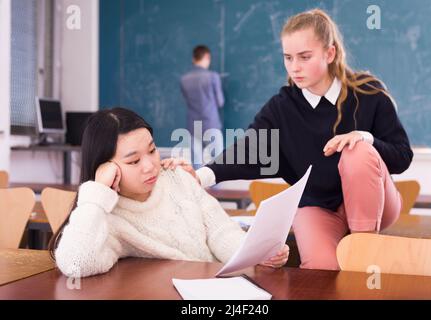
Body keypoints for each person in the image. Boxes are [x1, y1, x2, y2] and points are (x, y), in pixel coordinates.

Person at [163, 9, 413, 271]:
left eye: (305, 57)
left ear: (330, 53)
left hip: (377, 206)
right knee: (320, 273)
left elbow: (402, 157)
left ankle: (364, 249)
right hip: (318, 208)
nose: (295, 67)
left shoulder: (368, 93)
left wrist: (364, 137)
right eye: (288, 58)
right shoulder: (282, 107)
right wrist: (200, 176)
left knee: (357, 151)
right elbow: (248, 149)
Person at [48, 107, 289, 278]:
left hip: (214, 290)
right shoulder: (108, 218)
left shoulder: (177, 178)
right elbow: (75, 265)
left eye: (152, 150)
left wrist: (256, 253)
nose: (150, 165)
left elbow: (220, 231)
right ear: (105, 168)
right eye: (133, 161)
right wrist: (98, 193)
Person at [180, 45, 225, 168]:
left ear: (194, 59)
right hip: (211, 123)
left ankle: (198, 187)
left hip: (193, 125)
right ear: (207, 57)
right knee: (219, 165)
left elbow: (187, 100)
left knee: (197, 165)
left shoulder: (184, 79)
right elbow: (220, 102)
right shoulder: (213, 77)